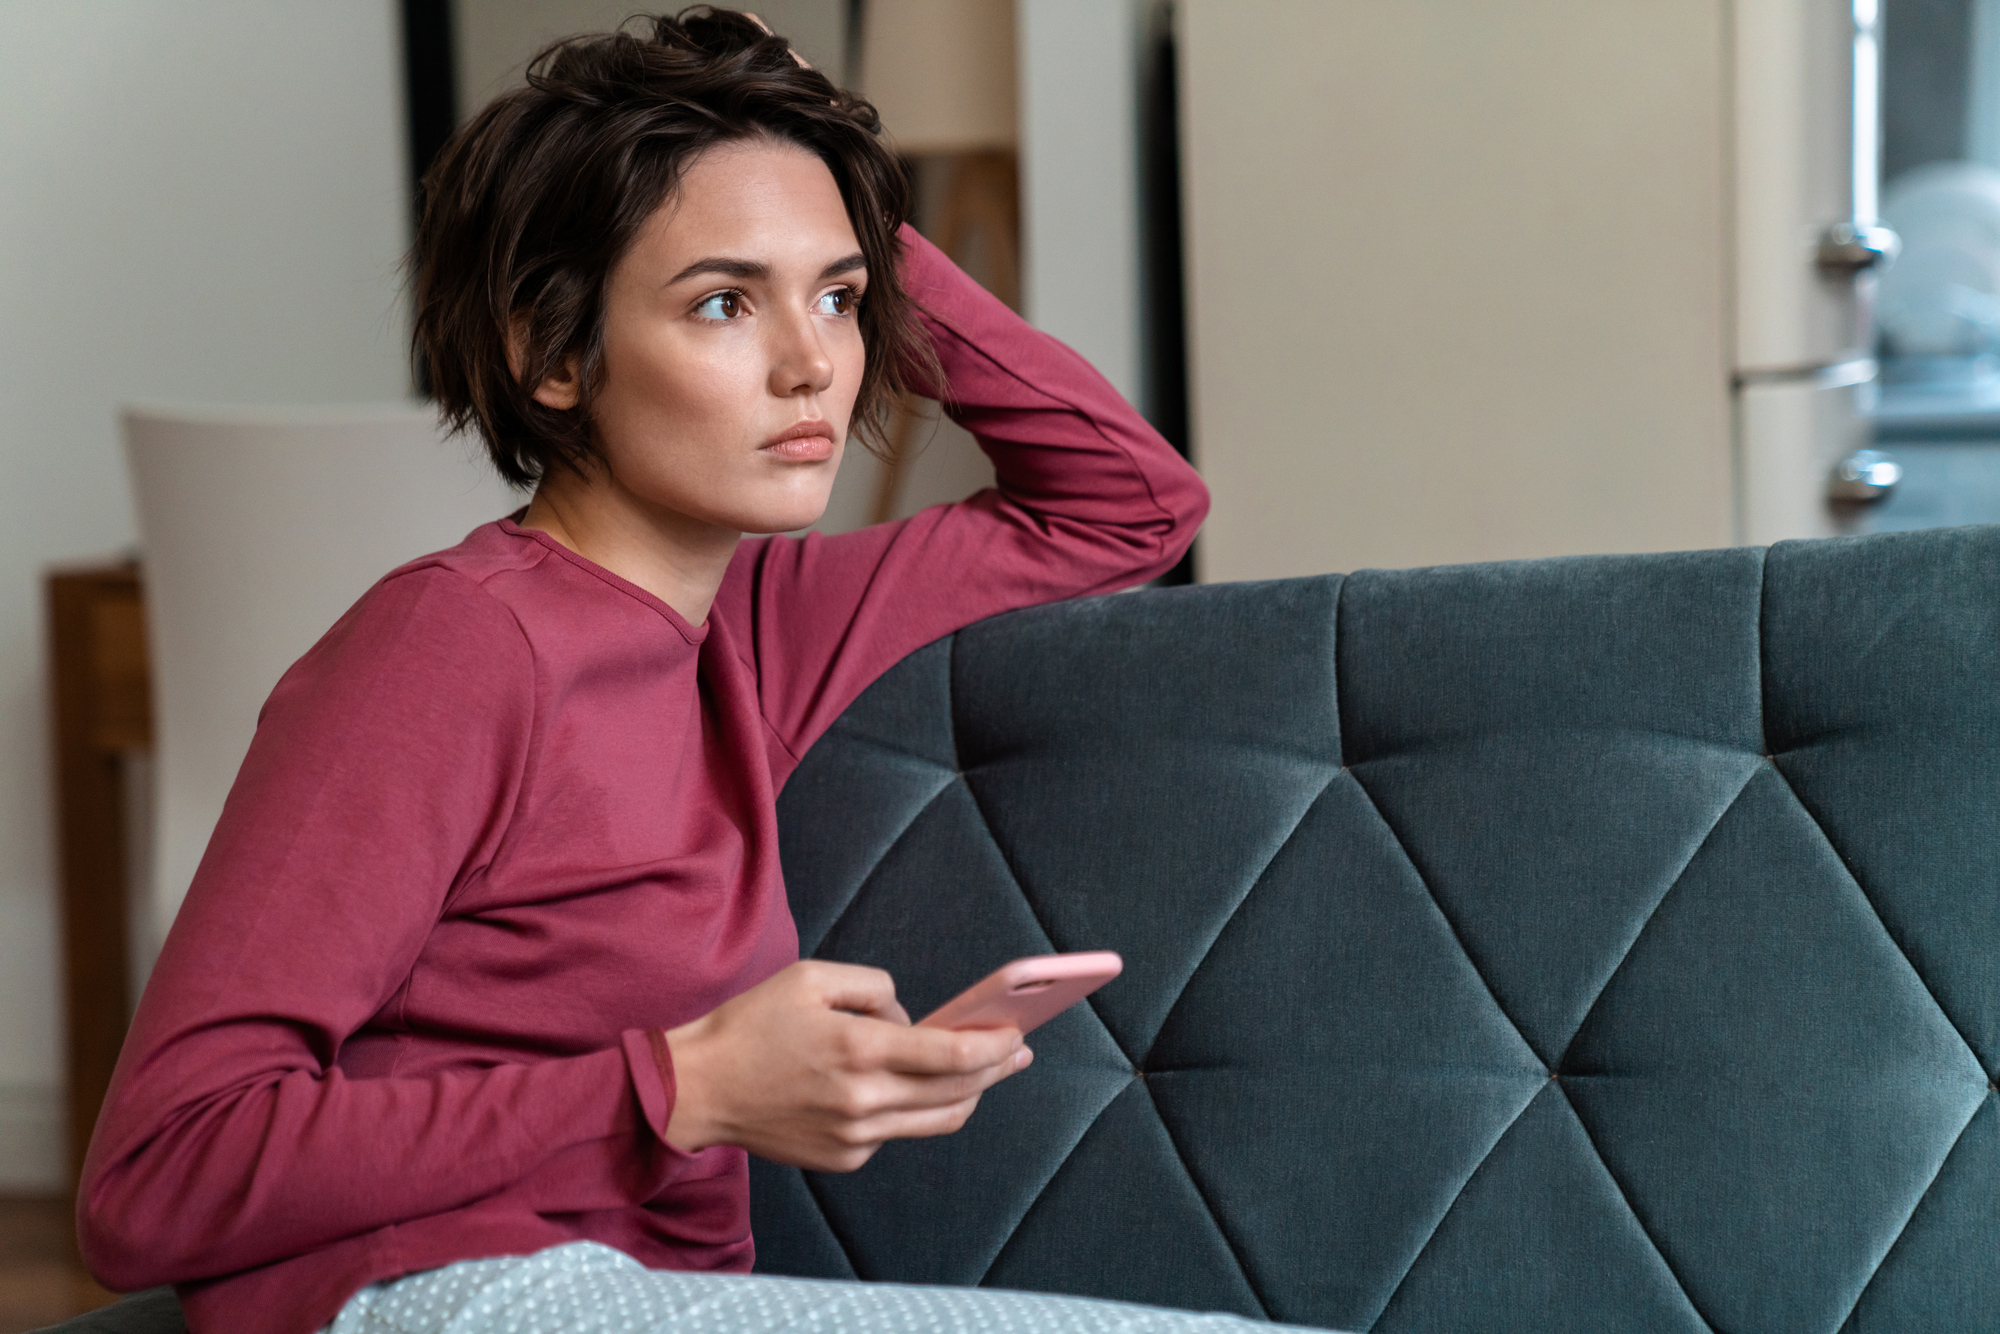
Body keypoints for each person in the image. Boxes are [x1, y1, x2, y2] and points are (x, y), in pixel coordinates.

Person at [76, 11, 1317, 1334]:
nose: (812, 367)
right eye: (723, 302)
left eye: (837, 302)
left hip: (660, 1295)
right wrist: (674, 1086)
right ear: (548, 353)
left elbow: (1132, 503)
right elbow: (154, 1177)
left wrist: (822, 193)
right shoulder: (449, 645)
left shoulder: (755, 622)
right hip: (431, 1289)